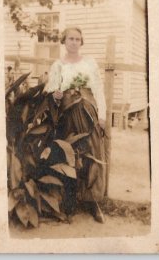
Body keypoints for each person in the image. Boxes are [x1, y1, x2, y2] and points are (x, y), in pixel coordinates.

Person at [45, 27, 106, 223]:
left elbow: (98, 89)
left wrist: (102, 116)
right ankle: (69, 202)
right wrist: (56, 95)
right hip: (67, 113)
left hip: (88, 112)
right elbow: (52, 90)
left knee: (92, 154)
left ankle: (92, 202)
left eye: (78, 39)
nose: (74, 42)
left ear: (81, 42)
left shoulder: (90, 62)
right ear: (64, 41)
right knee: (69, 155)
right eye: (70, 38)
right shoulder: (58, 65)